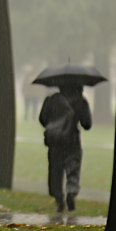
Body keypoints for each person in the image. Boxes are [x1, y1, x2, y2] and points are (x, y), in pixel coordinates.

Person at [38, 81, 92, 212]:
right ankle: (71, 193)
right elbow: (87, 124)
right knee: (73, 169)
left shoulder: (51, 100)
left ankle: (58, 198)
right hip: (72, 142)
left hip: (55, 143)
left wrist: (56, 124)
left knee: (55, 171)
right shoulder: (81, 102)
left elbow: (43, 119)